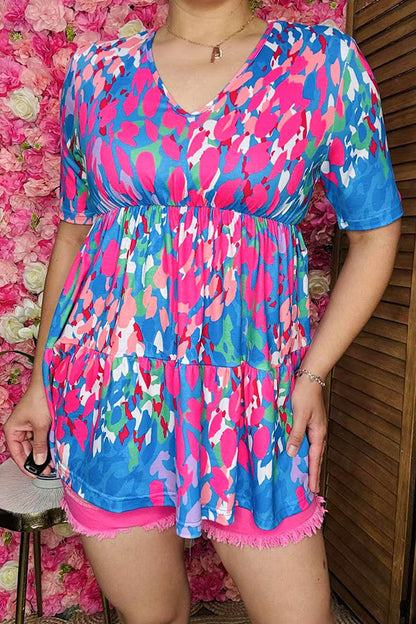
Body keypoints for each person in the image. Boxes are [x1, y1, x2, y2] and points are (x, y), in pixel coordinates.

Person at [4, 0, 402, 622]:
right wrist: (39, 386)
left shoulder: (322, 63)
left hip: (250, 398)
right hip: (112, 395)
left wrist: (314, 373)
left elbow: (376, 230)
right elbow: (76, 234)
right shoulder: (94, 75)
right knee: (153, 614)